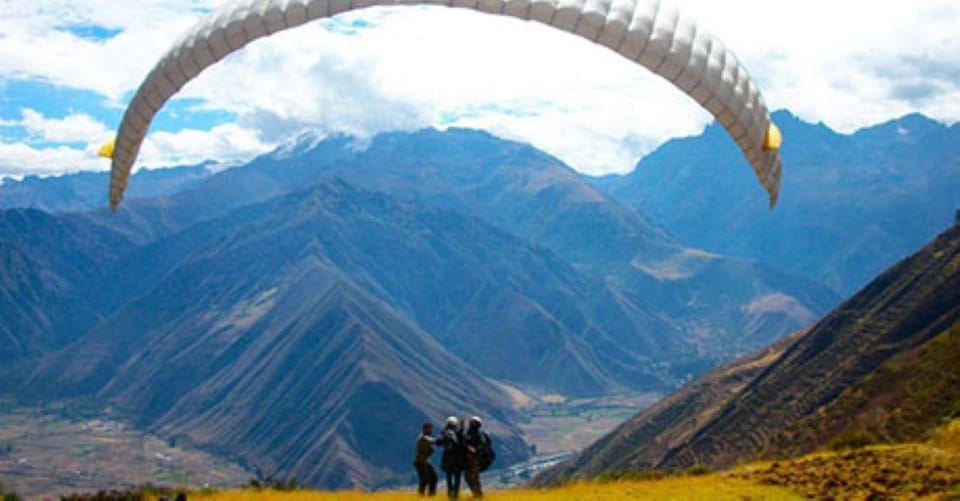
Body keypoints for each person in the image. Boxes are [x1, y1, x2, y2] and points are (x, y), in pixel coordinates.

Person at [463, 416, 494, 499]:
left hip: (476, 460)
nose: (471, 423)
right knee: (467, 478)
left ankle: (479, 496)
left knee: (474, 478)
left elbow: (482, 445)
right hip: (467, 460)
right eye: (471, 422)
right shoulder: (468, 433)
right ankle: (476, 494)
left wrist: (474, 450)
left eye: (473, 422)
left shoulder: (480, 434)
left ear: (477, 424)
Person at [435, 416, 465, 499]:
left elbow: (439, 442)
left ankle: (450, 494)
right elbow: (462, 442)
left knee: (449, 478)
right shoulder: (458, 432)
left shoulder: (445, 432)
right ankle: (455, 495)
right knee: (457, 478)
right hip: (458, 459)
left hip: (447, 459)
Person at [414, 422, 439, 496]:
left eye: (431, 429)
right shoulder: (423, 438)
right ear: (424, 429)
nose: (431, 430)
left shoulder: (426, 437)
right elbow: (431, 441)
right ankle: (421, 495)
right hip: (420, 462)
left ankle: (431, 495)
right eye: (429, 429)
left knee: (434, 478)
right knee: (424, 479)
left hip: (425, 461)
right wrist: (440, 441)